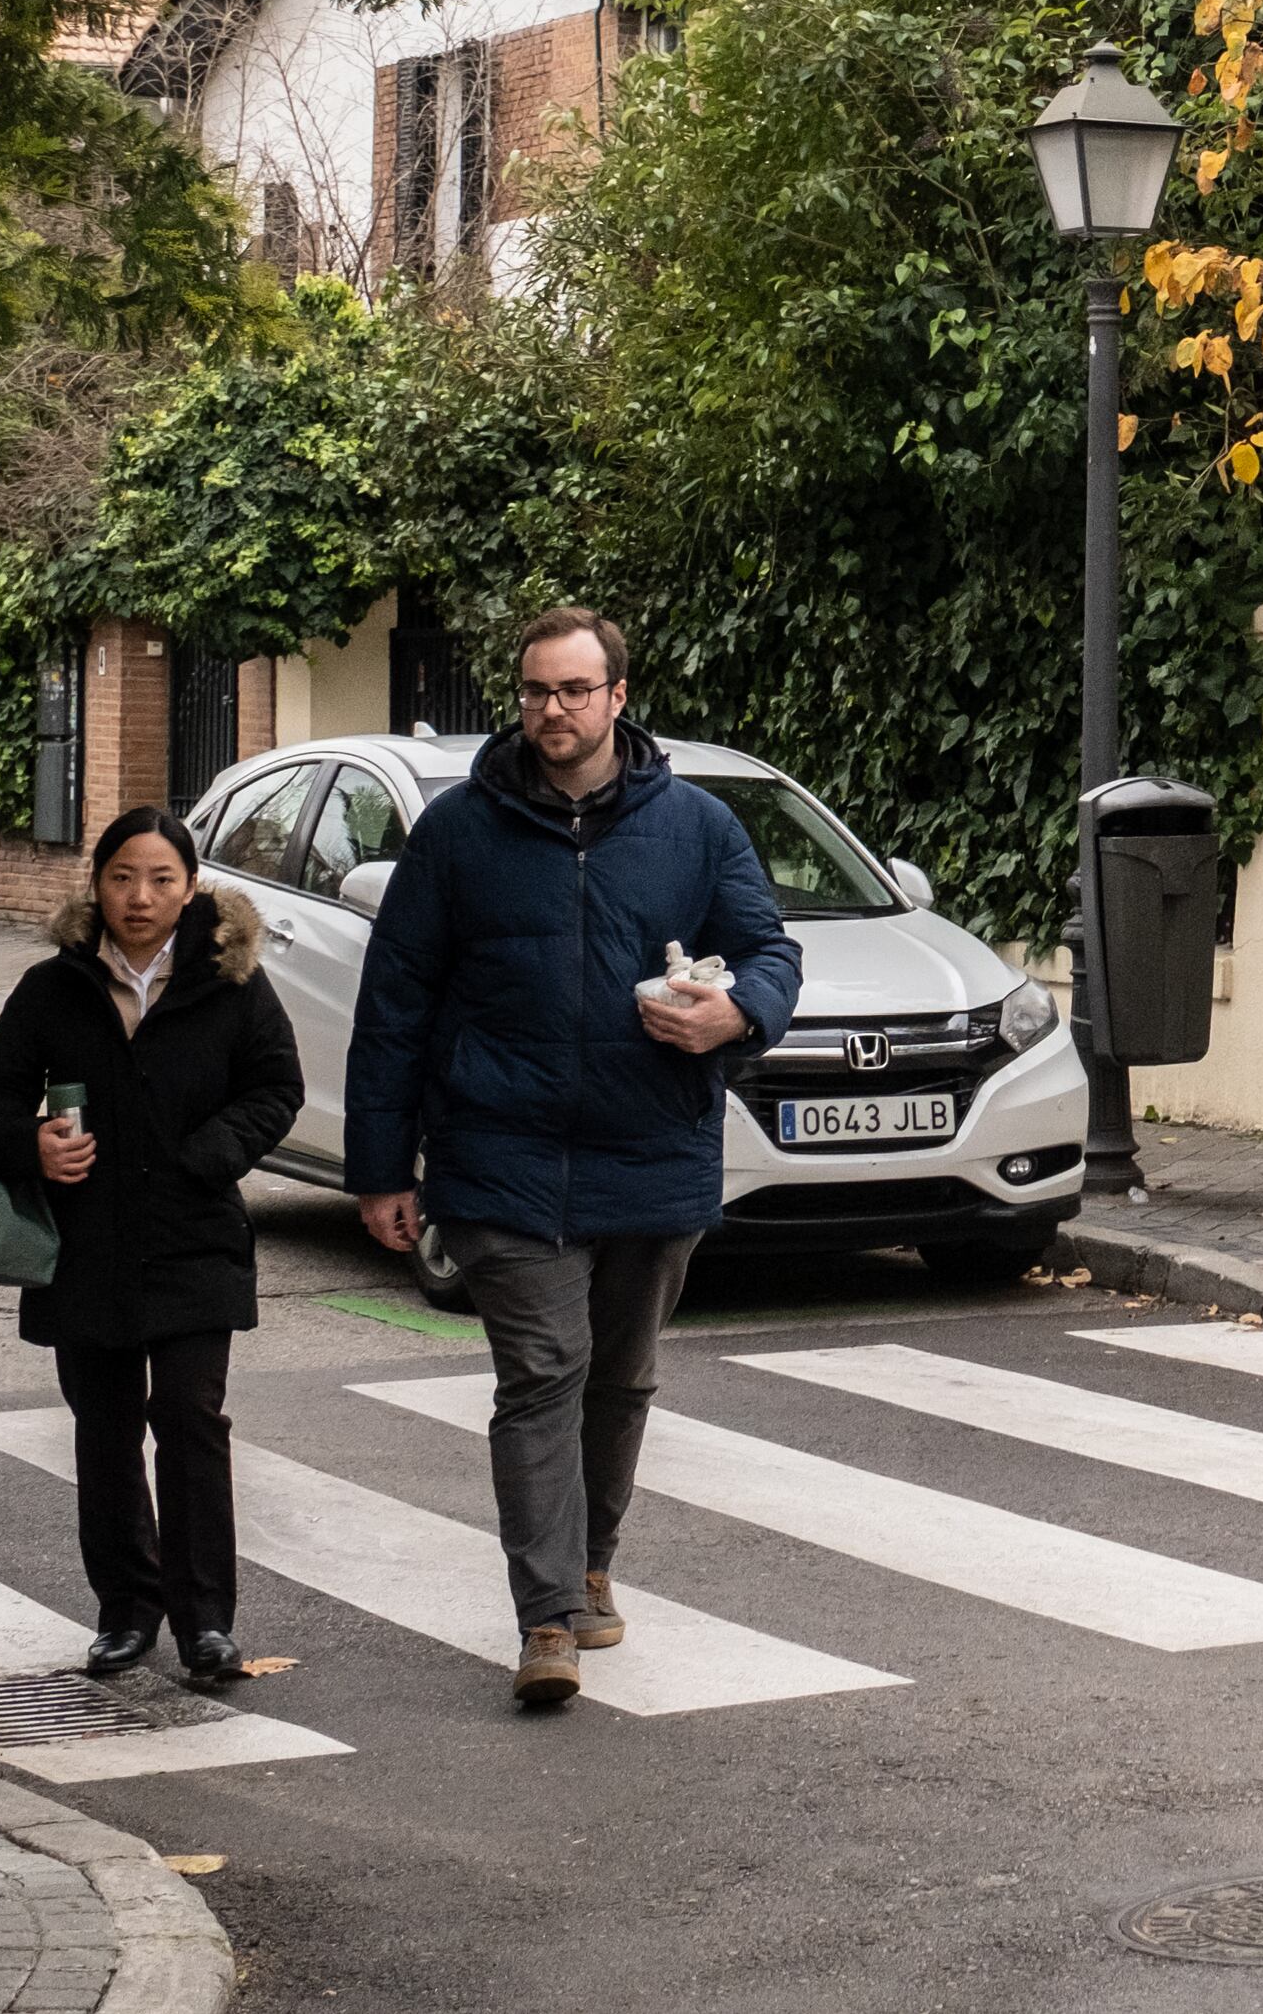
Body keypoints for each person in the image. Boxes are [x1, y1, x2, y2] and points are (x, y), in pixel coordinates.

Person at [343, 608, 795, 1714]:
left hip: (652, 1147)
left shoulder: (695, 827)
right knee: (542, 1373)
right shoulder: (458, 832)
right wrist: (378, 1166)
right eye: (538, 691)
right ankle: (545, 1616)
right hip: (499, 1151)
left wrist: (732, 1017)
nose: (554, 710)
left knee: (622, 1378)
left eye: (575, 691)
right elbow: (394, 1004)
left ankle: (590, 1562)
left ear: (618, 698)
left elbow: (773, 952)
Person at [0, 806, 305, 1686]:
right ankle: (126, 1610)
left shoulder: (230, 982)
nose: (140, 896)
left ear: (192, 889)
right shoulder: (54, 985)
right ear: (97, 885)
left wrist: (212, 1155)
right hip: (85, 1243)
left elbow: (276, 1087)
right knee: (104, 1429)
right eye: (122, 876)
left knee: (191, 1419)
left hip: (194, 1236)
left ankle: (207, 1625)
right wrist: (29, 1142)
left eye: (161, 878)